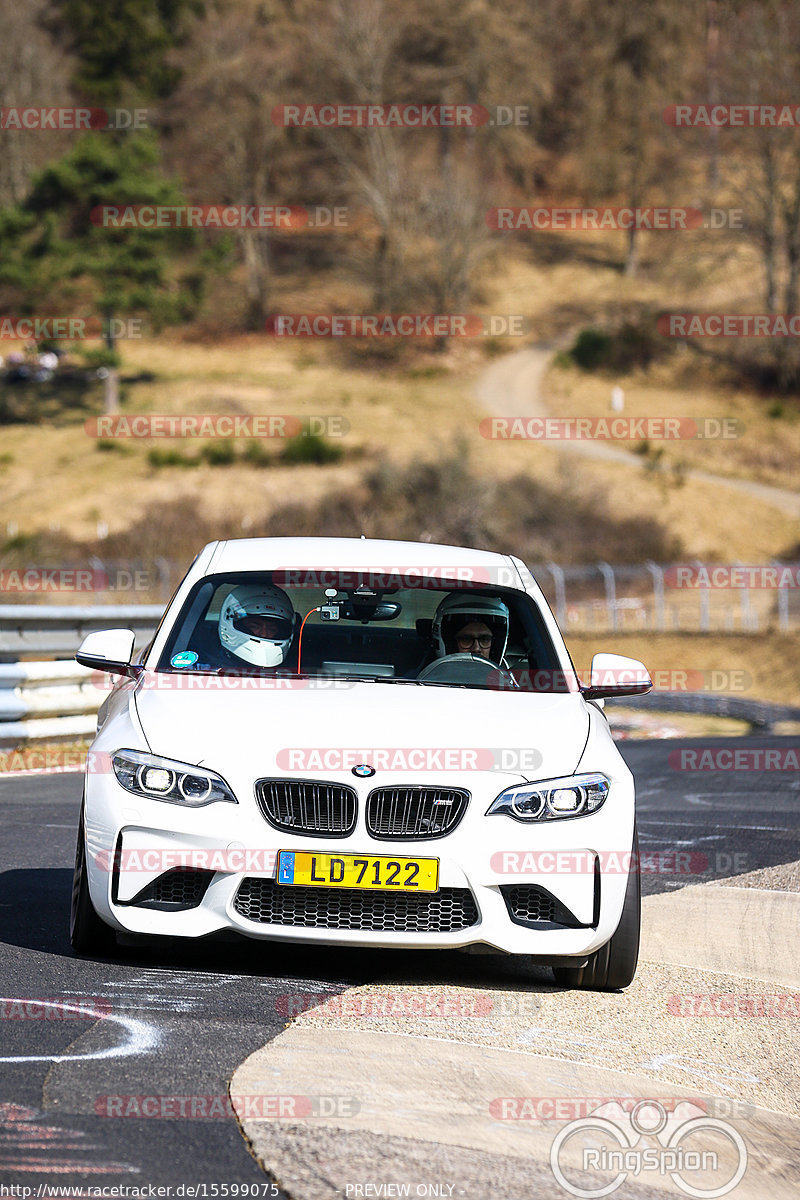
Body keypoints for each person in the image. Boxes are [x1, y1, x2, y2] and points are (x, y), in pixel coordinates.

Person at [217, 583, 296, 668]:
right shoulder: (207, 668)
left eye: (272, 629)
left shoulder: (296, 669)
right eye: (255, 626)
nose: (264, 634)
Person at [430, 594, 510, 665]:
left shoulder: (506, 678)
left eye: (485, 640)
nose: (476, 649)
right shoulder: (426, 677)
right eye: (466, 639)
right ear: (450, 643)